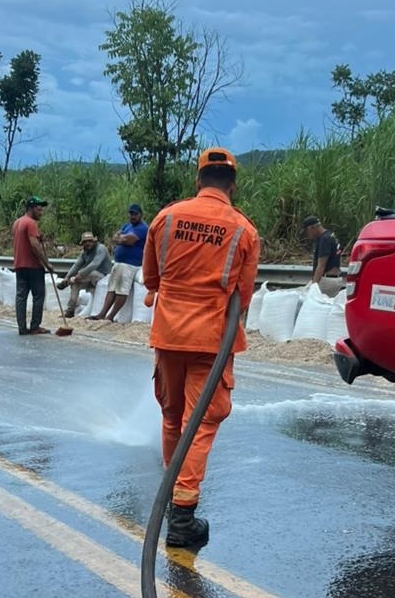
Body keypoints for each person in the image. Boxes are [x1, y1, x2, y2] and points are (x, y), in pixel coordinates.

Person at [141, 147, 260, 548]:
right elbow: (242, 296)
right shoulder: (244, 230)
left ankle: (174, 501)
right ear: (233, 184)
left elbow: (151, 278)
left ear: (198, 180)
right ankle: (182, 516)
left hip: (169, 336)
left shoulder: (166, 217)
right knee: (202, 423)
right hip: (211, 341)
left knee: (174, 419)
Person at [89, 203, 148, 321]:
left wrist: (120, 239)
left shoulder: (142, 228)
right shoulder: (127, 226)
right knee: (111, 289)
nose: (132, 216)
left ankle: (111, 316)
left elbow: (128, 241)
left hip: (130, 264)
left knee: (121, 290)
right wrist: (119, 238)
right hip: (119, 263)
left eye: (135, 214)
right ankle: (102, 313)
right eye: (131, 214)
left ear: (140, 215)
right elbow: (115, 237)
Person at [12, 196, 55, 335]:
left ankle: (22, 327)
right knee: (38, 295)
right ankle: (35, 326)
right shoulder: (31, 223)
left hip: (19, 265)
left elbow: (24, 240)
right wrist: (46, 263)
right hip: (32, 266)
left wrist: (38, 237)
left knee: (21, 296)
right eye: (38, 208)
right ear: (31, 209)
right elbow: (34, 246)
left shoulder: (17, 222)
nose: (41, 211)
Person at [56, 231, 112, 318]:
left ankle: (69, 281)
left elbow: (94, 264)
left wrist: (81, 274)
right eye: (85, 242)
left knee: (88, 273)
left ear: (94, 241)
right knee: (75, 284)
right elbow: (77, 265)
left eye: (89, 241)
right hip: (89, 276)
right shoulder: (84, 252)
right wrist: (67, 276)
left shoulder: (101, 249)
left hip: (103, 275)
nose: (88, 243)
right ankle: (70, 309)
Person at [303, 215, 342, 297]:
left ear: (312, 228)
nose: (307, 235)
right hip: (335, 279)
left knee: (306, 299)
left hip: (326, 280)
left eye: (307, 232)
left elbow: (321, 265)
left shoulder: (324, 239)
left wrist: (314, 287)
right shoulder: (331, 235)